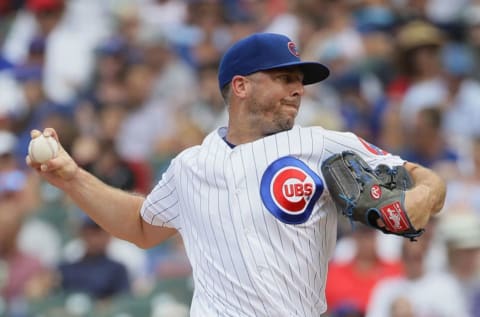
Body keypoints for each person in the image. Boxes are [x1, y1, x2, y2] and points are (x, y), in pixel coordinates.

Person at [26, 32, 446, 316]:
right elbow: (140, 226)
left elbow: (429, 181)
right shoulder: (191, 165)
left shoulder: (322, 145)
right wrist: (70, 177)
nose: (297, 89)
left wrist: (419, 198)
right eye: (284, 78)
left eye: (299, 80)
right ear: (241, 86)